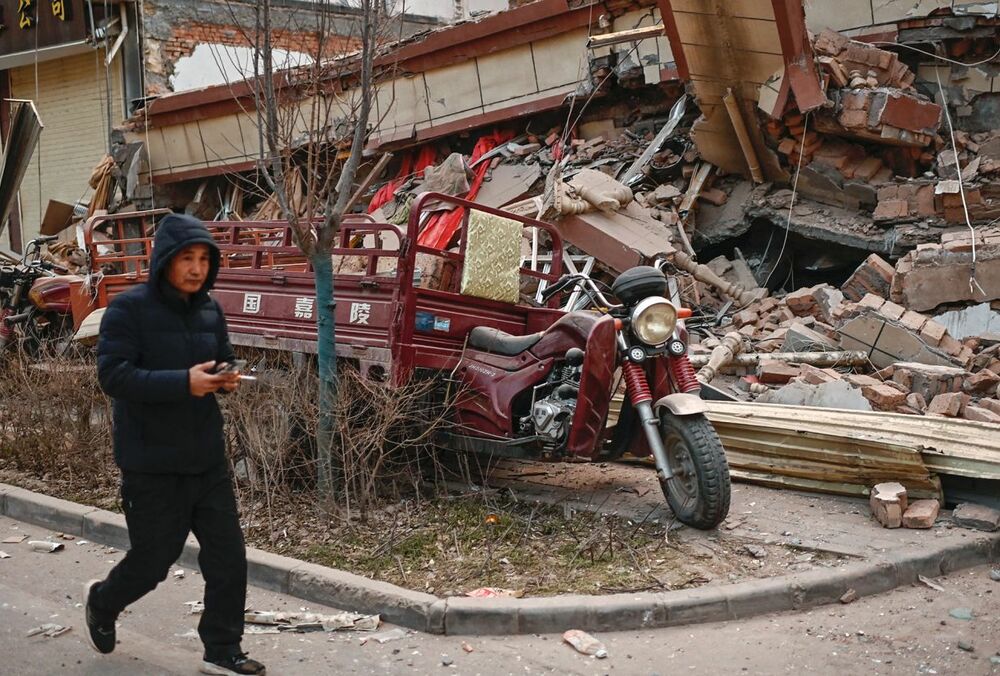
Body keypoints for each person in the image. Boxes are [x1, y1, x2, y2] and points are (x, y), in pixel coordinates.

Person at [84, 213, 265, 675]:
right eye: (187, 257)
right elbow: (113, 376)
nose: (196, 268)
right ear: (164, 259)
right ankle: (103, 601)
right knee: (153, 561)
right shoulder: (128, 309)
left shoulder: (210, 309)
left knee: (228, 558)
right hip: (151, 461)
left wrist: (225, 376)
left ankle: (223, 650)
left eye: (204, 258)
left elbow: (219, 356)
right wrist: (184, 383)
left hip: (205, 457)